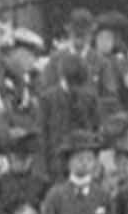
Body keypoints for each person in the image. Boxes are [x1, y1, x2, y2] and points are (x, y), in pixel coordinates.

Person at [37, 130, 117, 214]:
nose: (85, 163)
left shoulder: (103, 196)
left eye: (89, 159)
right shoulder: (56, 196)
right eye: (80, 158)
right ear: (69, 162)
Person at [39, 56, 102, 184]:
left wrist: (93, 158)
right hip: (57, 163)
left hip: (84, 160)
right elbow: (44, 135)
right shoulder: (48, 99)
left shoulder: (89, 98)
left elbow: (95, 130)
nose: (75, 87)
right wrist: (46, 167)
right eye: (71, 82)